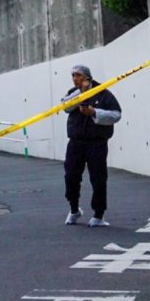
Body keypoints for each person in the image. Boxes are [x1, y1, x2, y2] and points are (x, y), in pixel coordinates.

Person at [61, 64, 121, 227]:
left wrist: (94, 112)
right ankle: (74, 209)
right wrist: (81, 93)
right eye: (73, 75)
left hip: (97, 143)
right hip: (75, 142)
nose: (75, 79)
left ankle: (99, 215)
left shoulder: (103, 93)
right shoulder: (73, 93)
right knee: (71, 176)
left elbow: (116, 114)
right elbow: (65, 106)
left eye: (79, 75)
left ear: (87, 77)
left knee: (98, 179)